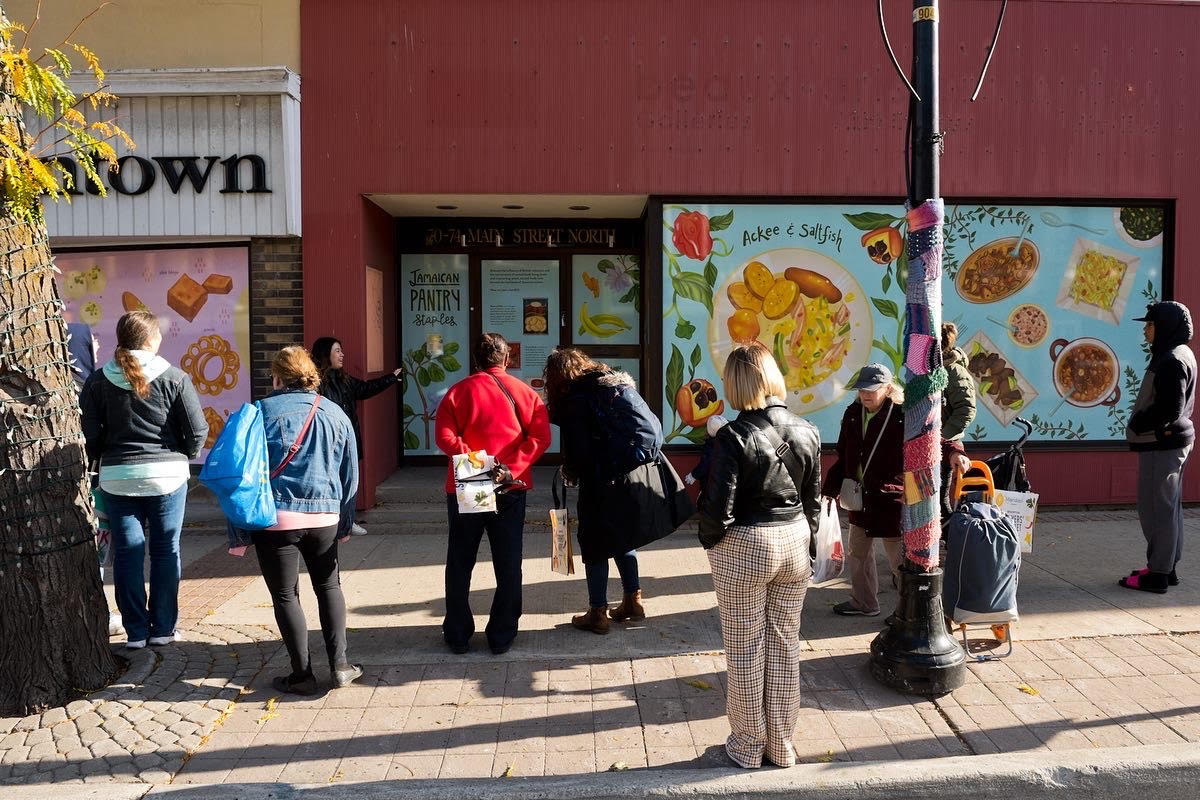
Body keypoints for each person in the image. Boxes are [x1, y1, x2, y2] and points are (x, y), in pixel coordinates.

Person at [697, 342, 821, 769]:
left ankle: (748, 746)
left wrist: (713, 543)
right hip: (794, 538)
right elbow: (814, 500)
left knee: (745, 649)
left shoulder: (733, 435)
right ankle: (782, 745)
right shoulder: (808, 429)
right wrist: (808, 545)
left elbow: (718, 508)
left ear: (736, 384)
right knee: (785, 645)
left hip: (748, 544)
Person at [80, 311, 207, 649]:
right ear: (152, 340)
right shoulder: (175, 377)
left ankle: (136, 632)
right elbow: (197, 431)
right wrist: (181, 454)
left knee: (127, 554)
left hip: (117, 477)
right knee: (166, 551)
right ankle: (163, 629)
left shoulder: (97, 381)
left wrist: (106, 456)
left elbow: (90, 437)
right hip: (168, 477)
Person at [244, 346, 363, 694]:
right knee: (329, 586)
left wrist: (240, 528)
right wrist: (344, 520)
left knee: (285, 595)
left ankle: (302, 675)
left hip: (275, 517)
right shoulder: (334, 412)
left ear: (277, 377)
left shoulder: (259, 412)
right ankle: (340, 665)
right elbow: (350, 473)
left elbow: (243, 469)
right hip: (324, 513)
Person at [543, 348, 685, 635]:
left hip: (601, 479)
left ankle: (598, 612)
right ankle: (633, 601)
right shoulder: (610, 384)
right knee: (622, 537)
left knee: (594, 544)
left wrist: (571, 471)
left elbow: (578, 450)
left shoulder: (576, 398)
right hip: (628, 474)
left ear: (557, 377)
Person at [435, 333, 551, 654]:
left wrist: (474, 460)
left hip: (470, 481)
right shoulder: (526, 394)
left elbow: (445, 436)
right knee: (508, 560)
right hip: (509, 484)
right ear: (507, 359)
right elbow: (541, 438)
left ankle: (457, 633)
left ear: (475, 360)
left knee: (460, 560)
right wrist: (510, 466)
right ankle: (502, 634)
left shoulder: (458, 392)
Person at [1122, 301, 1196, 594]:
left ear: (1164, 326)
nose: (1145, 330)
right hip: (1170, 443)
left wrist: (1139, 422)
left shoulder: (1172, 360)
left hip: (1162, 444)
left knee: (1156, 510)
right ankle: (1166, 567)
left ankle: (1158, 575)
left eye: (1149, 324)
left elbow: (1170, 408)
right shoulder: (1177, 353)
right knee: (1168, 507)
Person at [821, 363, 905, 617]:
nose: (865, 395)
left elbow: (933, 440)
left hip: (890, 497)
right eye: (861, 390)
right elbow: (843, 454)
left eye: (872, 390)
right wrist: (829, 489)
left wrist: (956, 452)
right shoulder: (853, 413)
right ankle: (864, 602)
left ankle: (909, 613)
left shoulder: (901, 414)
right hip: (858, 497)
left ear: (888, 388)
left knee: (899, 561)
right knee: (858, 554)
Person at [311, 336, 403, 536]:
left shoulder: (344, 379)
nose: (342, 354)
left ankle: (347, 523)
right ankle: (330, 523)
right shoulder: (316, 384)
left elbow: (364, 389)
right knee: (329, 484)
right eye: (337, 351)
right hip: (327, 443)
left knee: (348, 483)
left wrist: (390, 378)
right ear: (325, 355)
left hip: (347, 441)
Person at [940, 322, 976, 441]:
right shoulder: (924, 371)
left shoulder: (954, 371)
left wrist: (942, 438)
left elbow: (966, 409)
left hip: (947, 447)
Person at [685, 414, 730, 488]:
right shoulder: (728, 442)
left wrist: (694, 475)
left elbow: (706, 463)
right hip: (725, 481)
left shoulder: (711, 445)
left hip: (711, 483)